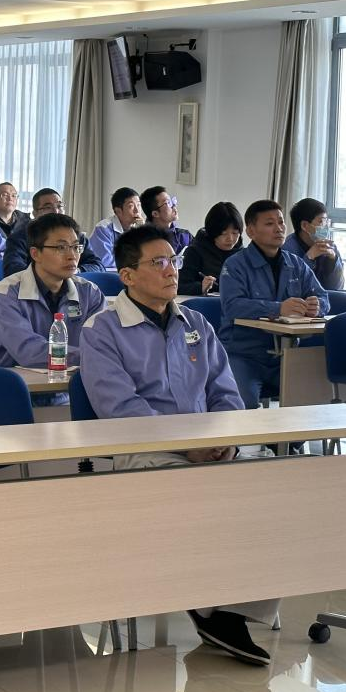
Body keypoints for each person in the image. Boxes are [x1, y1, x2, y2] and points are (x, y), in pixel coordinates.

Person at [79, 225, 276, 666]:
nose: (172, 271)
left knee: (267, 481)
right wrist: (187, 447)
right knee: (191, 491)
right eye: (159, 262)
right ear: (127, 275)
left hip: (207, 445)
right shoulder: (102, 329)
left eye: (174, 260)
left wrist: (224, 441)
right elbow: (120, 407)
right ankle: (209, 608)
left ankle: (230, 609)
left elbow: (225, 393)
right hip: (144, 447)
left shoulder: (195, 322)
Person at [218, 200, 329, 410]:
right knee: (242, 405)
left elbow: (322, 296)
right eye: (269, 223)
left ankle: (290, 435)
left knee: (313, 400)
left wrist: (317, 306)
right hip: (244, 354)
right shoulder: (235, 265)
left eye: (281, 222)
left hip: (288, 355)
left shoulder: (295, 263)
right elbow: (232, 306)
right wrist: (277, 309)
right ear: (251, 231)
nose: (279, 228)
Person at [0, 213, 105, 371]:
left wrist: (99, 356)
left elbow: (104, 343)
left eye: (76, 247)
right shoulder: (7, 292)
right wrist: (89, 356)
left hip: (73, 382)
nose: (72, 256)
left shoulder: (90, 293)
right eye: (61, 248)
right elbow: (28, 352)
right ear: (35, 254)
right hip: (16, 383)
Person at [1, 188, 105, 277]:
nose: (56, 211)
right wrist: (51, 275)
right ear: (35, 213)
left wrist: (77, 271)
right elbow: (13, 269)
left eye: (59, 206)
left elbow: (98, 266)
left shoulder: (77, 237)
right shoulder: (20, 237)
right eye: (48, 207)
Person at [179, 201, 243, 296]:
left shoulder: (243, 254)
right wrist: (200, 287)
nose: (230, 239)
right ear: (212, 232)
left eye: (235, 233)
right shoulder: (195, 252)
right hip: (204, 303)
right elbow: (179, 286)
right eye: (224, 233)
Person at [282, 198, 345, 291]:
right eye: (321, 222)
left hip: (324, 298)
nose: (326, 227)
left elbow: (338, 287)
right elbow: (292, 289)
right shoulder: (287, 250)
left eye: (326, 221)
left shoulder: (329, 247)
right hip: (302, 299)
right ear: (305, 226)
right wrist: (309, 258)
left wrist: (333, 259)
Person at [89, 187, 143, 270]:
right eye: (131, 206)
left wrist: (142, 231)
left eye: (138, 205)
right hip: (108, 274)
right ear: (118, 211)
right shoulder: (103, 228)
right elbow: (105, 261)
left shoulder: (138, 228)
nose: (137, 210)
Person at [140, 186, 192, 255]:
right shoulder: (143, 241)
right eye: (168, 202)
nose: (174, 206)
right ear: (155, 214)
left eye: (172, 201)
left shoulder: (185, 236)